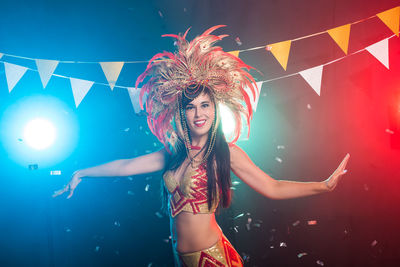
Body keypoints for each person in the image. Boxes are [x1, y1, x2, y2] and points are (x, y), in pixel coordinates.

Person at [53, 25, 350, 267]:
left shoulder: (226, 152)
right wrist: (81, 172)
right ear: (182, 113)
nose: (199, 113)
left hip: (212, 258)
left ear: (215, 109)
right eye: (192, 107)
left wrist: (323, 186)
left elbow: (271, 187)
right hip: (182, 259)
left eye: (206, 105)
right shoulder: (173, 153)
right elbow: (126, 166)